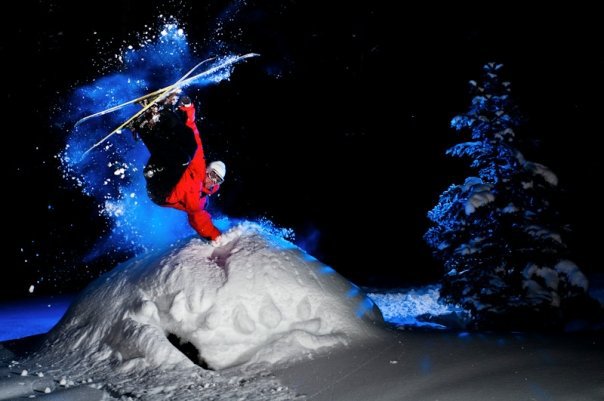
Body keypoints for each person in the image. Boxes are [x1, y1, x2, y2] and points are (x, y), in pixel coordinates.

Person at [133, 92, 225, 241]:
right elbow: (195, 136)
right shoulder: (199, 168)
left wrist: (218, 238)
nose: (212, 180)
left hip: (161, 193)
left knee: (181, 159)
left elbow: (201, 222)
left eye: (217, 179)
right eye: (212, 174)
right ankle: (162, 113)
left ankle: (143, 127)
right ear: (207, 169)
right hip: (167, 172)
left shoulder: (199, 203)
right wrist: (188, 110)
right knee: (190, 146)